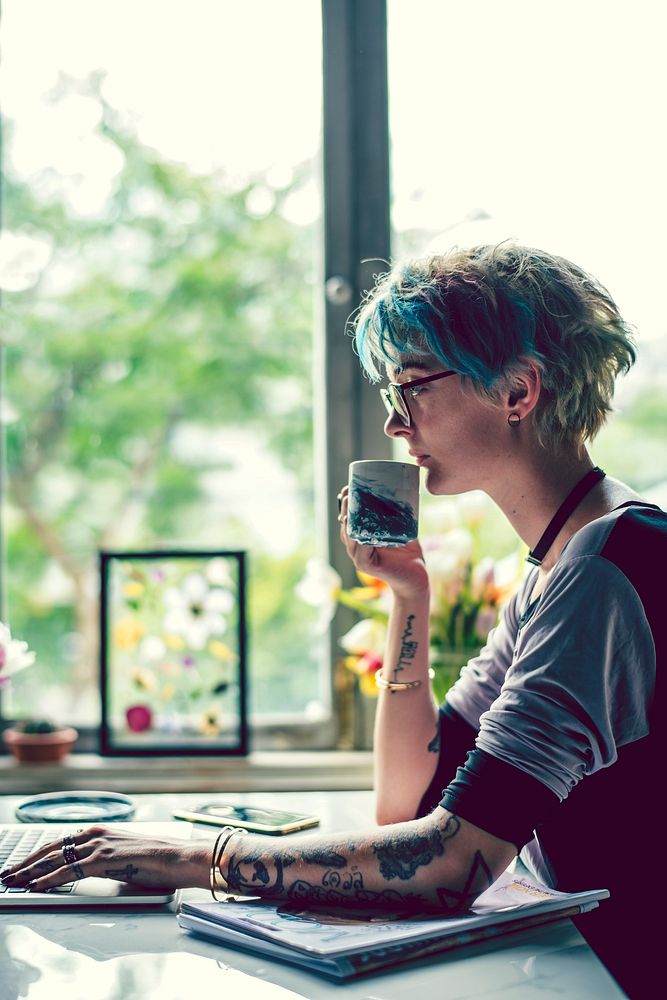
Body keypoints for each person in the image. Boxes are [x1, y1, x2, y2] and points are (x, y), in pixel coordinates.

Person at [2, 244, 663, 996]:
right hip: (567, 957)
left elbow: (453, 863)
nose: (390, 420)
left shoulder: (603, 569)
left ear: (517, 391)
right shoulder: (563, 561)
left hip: (615, 970)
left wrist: (203, 855)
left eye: (411, 387)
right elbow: (407, 800)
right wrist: (406, 596)